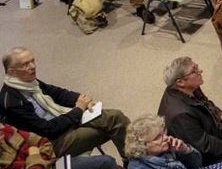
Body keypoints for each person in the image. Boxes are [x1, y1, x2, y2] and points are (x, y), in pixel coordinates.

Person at [1, 47, 131, 159]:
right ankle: (135, 163)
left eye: (32, 61)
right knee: (111, 129)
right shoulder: (12, 103)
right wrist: (78, 110)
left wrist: (82, 98)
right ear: (12, 72)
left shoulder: (28, 82)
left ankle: (131, 160)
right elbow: (47, 130)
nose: (32, 67)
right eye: (25, 64)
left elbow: (57, 93)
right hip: (53, 141)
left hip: (62, 121)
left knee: (116, 116)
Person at [157, 56, 222, 168]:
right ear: (180, 82)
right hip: (201, 158)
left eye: (197, 67)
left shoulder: (189, 87)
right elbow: (204, 145)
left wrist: (220, 115)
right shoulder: (180, 114)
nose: (200, 71)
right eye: (194, 71)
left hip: (208, 130)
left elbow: (205, 103)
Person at [0, 121, 117, 169]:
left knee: (106, 162)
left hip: (52, 167)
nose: (1, 126)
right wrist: (34, 156)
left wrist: (32, 168)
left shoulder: (5, 130)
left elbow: (44, 142)